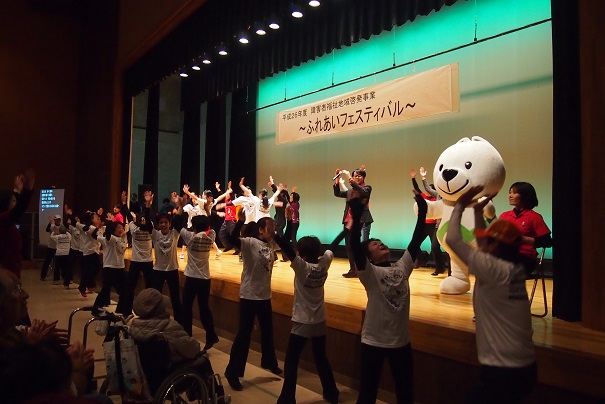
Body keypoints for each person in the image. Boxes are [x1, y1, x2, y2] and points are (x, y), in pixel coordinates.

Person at [445, 185, 537, 403]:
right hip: (523, 365)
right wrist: (478, 211)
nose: (481, 243)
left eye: (487, 240)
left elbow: (452, 240)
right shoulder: (511, 267)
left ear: (495, 247)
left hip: (503, 370)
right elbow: (482, 244)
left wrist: (459, 206)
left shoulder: (493, 269)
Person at [348, 188, 427, 404]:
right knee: (367, 394)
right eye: (374, 244)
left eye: (380, 242)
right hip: (373, 342)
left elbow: (416, 239)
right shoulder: (370, 273)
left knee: (405, 394)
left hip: (401, 343)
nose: (380, 243)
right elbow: (355, 245)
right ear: (369, 257)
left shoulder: (403, 267)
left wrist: (422, 211)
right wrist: (356, 213)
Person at [273, 233, 339, 404]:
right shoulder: (324, 263)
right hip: (320, 321)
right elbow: (333, 245)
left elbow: (288, 249)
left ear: (301, 254)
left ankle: (287, 398)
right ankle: (332, 393)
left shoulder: (302, 267)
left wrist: (275, 235)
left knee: (291, 360)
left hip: (303, 321)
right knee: (321, 357)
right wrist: (346, 230)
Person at [224, 216, 282, 391]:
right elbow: (232, 239)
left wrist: (282, 227)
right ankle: (232, 372)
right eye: (270, 227)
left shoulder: (271, 245)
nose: (273, 230)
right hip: (249, 295)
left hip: (265, 295)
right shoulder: (250, 243)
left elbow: (286, 242)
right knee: (244, 335)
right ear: (261, 230)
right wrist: (240, 222)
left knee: (267, 332)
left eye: (274, 227)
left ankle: (269, 362)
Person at [173, 212, 220, 350]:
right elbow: (212, 226)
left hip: (192, 278)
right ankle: (211, 335)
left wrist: (181, 210)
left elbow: (177, 224)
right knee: (204, 308)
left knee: (186, 307)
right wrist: (208, 211)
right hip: (205, 278)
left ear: (194, 227)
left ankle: (187, 335)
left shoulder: (190, 237)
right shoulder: (211, 236)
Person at [127, 288, 200, 366]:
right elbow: (193, 349)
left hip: (142, 369)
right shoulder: (170, 327)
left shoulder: (132, 327)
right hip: (170, 369)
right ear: (160, 308)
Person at [499, 182, 553, 276]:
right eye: (510, 192)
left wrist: (523, 239)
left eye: (514, 193)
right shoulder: (504, 216)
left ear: (525, 196)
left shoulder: (534, 217)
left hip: (524, 257)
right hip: (505, 255)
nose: (510, 196)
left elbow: (547, 241)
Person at [147, 192, 184, 325]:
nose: (163, 224)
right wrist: (148, 205)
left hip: (172, 270)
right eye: (161, 222)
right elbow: (149, 220)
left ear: (169, 223)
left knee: (175, 298)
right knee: (155, 297)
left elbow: (179, 220)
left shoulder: (174, 234)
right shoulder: (155, 234)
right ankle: (154, 319)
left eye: (166, 222)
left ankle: (179, 322)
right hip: (158, 270)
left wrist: (178, 205)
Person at [332, 167, 373, 278]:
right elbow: (337, 193)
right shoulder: (350, 191)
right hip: (348, 220)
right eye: (355, 176)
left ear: (363, 177)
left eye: (359, 176)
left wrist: (349, 177)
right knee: (349, 246)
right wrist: (338, 179)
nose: (356, 177)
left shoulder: (367, 188)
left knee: (358, 245)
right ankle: (353, 270)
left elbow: (361, 191)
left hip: (361, 220)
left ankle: (362, 268)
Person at [116, 201, 154, 316]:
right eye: (141, 220)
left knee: (146, 287)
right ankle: (127, 311)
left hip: (145, 261)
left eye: (144, 219)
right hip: (139, 261)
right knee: (131, 287)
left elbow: (130, 216)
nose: (143, 221)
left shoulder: (144, 227)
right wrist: (123, 204)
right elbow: (128, 215)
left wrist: (124, 204)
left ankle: (144, 311)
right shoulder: (136, 227)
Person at [410, 168, 449, 275]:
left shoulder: (438, 198)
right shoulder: (432, 196)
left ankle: (442, 268)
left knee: (436, 247)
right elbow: (422, 188)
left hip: (435, 225)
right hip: (426, 225)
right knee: (415, 243)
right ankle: (421, 258)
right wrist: (418, 177)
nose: (428, 191)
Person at [0, 169, 35, 278]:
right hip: (6, 274)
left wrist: (17, 190)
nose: (15, 202)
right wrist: (28, 189)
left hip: (10, 272)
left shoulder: (6, 220)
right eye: (13, 200)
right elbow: (19, 209)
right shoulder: (3, 220)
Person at [92, 221, 127, 309]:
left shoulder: (123, 238)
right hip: (110, 268)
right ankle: (96, 308)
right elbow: (95, 235)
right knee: (106, 289)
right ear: (113, 229)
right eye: (119, 227)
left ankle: (122, 309)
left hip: (120, 267)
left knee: (124, 289)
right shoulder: (110, 239)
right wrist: (109, 222)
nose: (121, 229)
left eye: (122, 228)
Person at [40, 215, 63, 281]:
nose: (58, 221)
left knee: (58, 263)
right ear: (55, 220)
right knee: (47, 261)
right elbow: (47, 230)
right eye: (57, 219)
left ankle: (58, 277)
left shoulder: (62, 227)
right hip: (51, 246)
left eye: (59, 219)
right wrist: (50, 223)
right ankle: (43, 276)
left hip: (58, 247)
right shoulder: (52, 226)